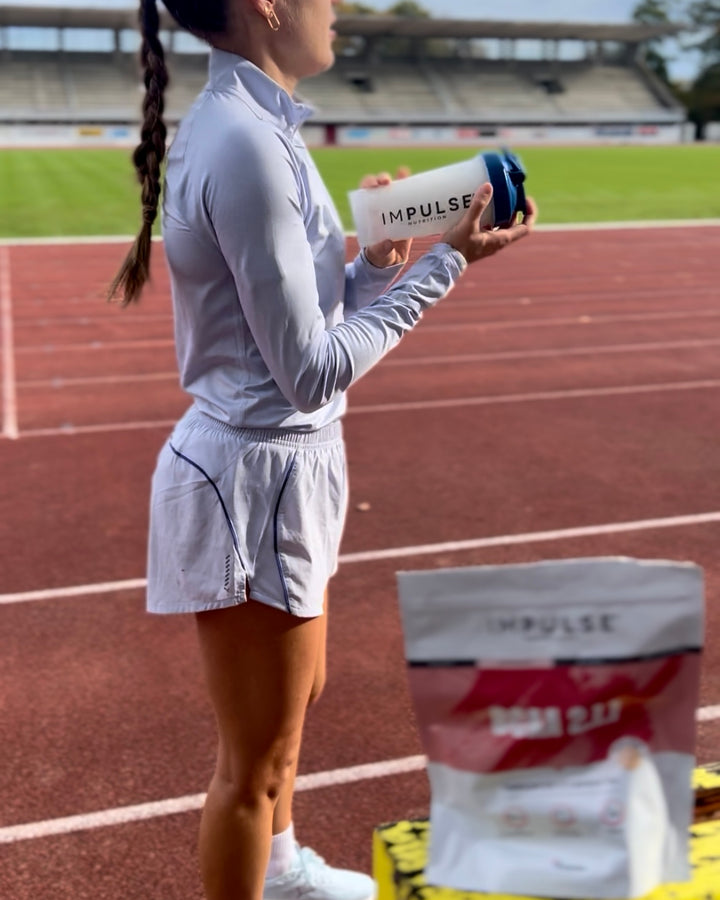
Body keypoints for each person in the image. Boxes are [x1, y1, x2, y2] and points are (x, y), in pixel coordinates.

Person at [110, 1, 537, 899]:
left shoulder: (263, 127)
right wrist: (445, 265)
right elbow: (308, 372)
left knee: (295, 709)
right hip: (252, 473)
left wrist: (379, 263)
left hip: (286, 464)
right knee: (253, 765)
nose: (335, 8)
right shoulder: (246, 146)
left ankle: (286, 871)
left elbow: (297, 324)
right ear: (268, 5)